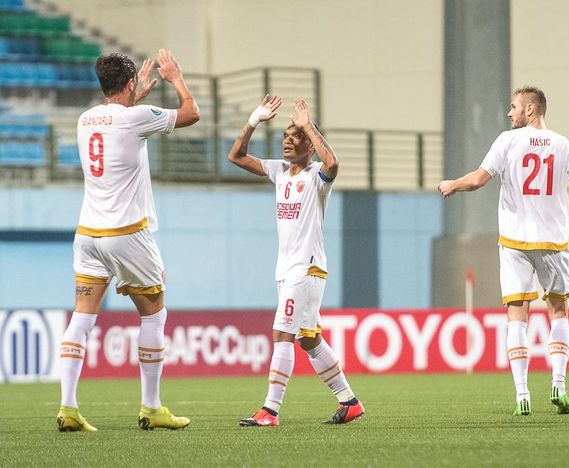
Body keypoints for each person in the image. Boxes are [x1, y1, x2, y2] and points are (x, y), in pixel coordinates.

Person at [438, 86, 569, 416]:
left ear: (531, 110)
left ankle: (522, 395)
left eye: (514, 107)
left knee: (517, 317)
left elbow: (478, 179)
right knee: (558, 312)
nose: (509, 113)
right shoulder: (565, 146)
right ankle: (559, 385)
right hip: (552, 242)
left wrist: (452, 185)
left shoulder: (507, 141)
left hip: (515, 243)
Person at [56, 50, 200, 432]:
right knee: (154, 312)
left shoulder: (86, 119)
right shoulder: (137, 117)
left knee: (82, 317)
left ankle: (68, 408)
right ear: (132, 82)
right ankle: (151, 407)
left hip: (88, 234)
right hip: (127, 233)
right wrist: (176, 78)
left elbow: (116, 124)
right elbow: (191, 113)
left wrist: (134, 100)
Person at [228, 95, 364, 426]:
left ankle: (270, 410)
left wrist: (308, 125)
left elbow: (333, 163)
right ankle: (350, 402)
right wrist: (253, 121)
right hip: (288, 270)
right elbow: (235, 156)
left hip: (307, 267)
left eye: (296, 137)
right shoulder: (279, 172)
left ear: (310, 146)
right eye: (286, 137)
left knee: (282, 334)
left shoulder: (317, 175)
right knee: (308, 338)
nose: (289, 141)